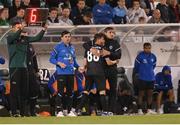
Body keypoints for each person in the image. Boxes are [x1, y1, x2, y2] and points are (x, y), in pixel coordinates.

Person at [7, 22, 46, 117]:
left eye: (20, 26)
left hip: (24, 69)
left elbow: (37, 38)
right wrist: (21, 29)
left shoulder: (25, 39)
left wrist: (43, 30)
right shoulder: (10, 38)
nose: (20, 27)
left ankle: (22, 113)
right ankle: (14, 112)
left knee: (23, 92)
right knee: (14, 92)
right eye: (17, 27)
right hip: (14, 68)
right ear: (12, 29)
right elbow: (14, 36)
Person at [83, 27, 121, 114]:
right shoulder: (100, 40)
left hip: (112, 70)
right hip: (101, 70)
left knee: (112, 90)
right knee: (100, 90)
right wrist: (90, 49)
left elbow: (118, 55)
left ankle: (112, 111)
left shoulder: (115, 43)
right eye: (110, 32)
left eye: (113, 33)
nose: (112, 34)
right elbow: (85, 45)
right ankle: (101, 109)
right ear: (105, 32)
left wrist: (109, 53)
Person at [49, 30, 83, 117]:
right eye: (66, 37)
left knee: (70, 93)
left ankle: (69, 111)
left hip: (71, 73)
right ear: (62, 38)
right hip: (61, 73)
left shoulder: (72, 47)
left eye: (69, 37)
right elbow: (51, 59)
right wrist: (59, 63)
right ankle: (59, 111)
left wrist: (78, 67)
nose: (68, 38)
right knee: (60, 92)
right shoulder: (57, 47)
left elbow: (73, 61)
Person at [134, 42, 157, 115]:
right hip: (142, 78)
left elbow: (153, 66)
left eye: (149, 48)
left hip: (151, 78)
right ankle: (139, 110)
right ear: (143, 48)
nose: (148, 49)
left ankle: (149, 109)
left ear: (151, 48)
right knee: (141, 95)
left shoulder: (153, 56)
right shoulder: (139, 56)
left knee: (150, 95)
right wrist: (142, 73)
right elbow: (136, 67)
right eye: (146, 48)